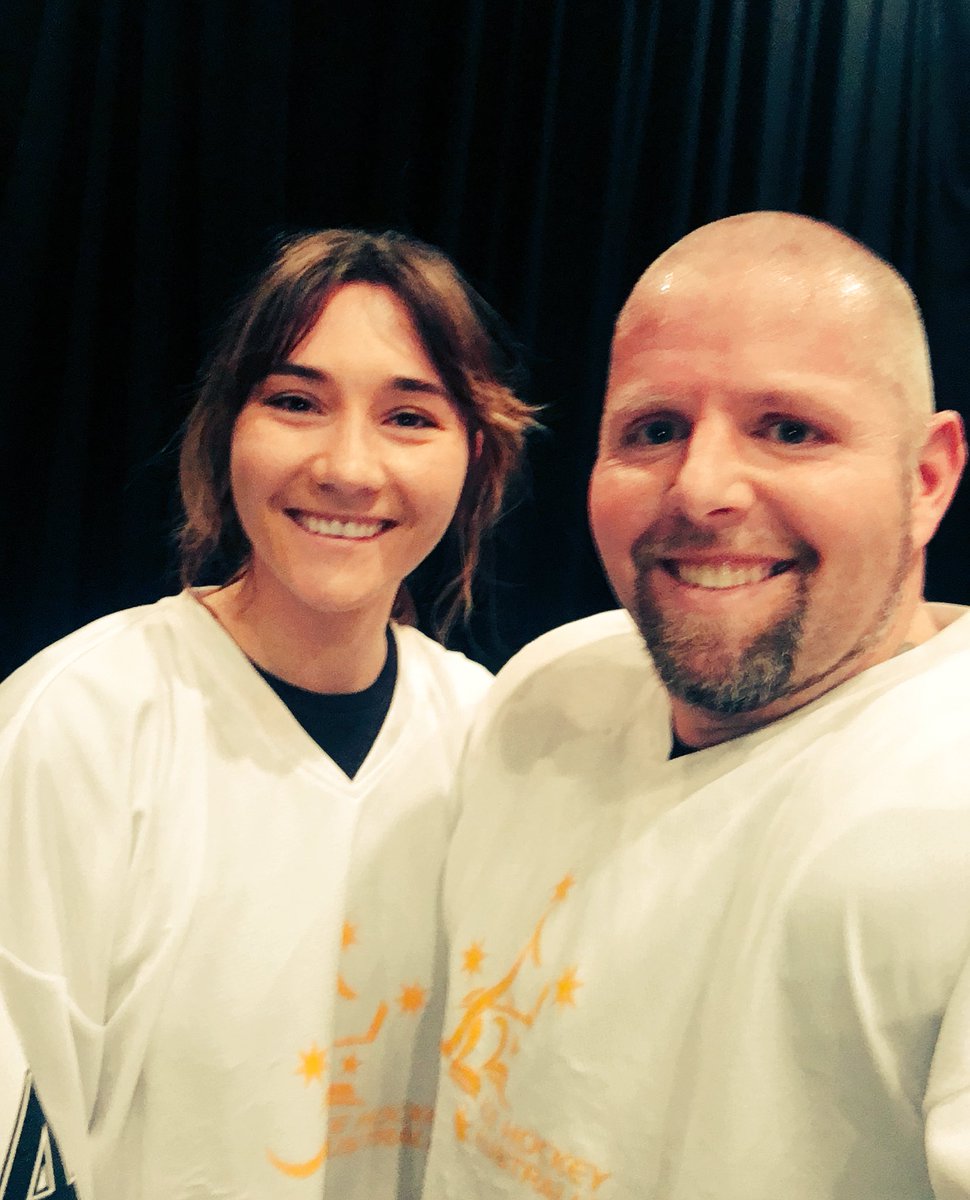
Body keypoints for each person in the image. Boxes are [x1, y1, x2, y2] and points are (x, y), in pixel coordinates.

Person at [422, 212, 970, 1200]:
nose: (703, 486)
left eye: (789, 429)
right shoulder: (547, 691)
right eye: (654, 429)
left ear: (926, 479)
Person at [0, 228, 532, 1199]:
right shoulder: (80, 718)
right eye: (295, 402)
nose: (346, 466)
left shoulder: (490, 733)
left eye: (409, 416)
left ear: (475, 455)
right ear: (225, 430)